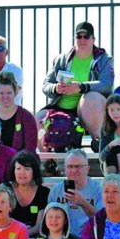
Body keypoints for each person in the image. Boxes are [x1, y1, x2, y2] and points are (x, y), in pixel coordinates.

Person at [41, 21, 113, 150]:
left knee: (91, 98)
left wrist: (82, 86)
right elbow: (46, 85)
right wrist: (56, 88)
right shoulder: (61, 59)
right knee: (36, 120)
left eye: (86, 36)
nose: (82, 40)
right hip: (61, 106)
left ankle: (99, 141)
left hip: (87, 109)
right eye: (79, 37)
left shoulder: (104, 59)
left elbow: (106, 84)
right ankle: (48, 161)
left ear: (93, 39)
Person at [47, 149, 103, 238]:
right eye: (70, 166)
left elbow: (101, 221)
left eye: (78, 166)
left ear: (87, 169)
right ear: (65, 169)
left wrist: (83, 203)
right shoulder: (56, 191)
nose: (74, 170)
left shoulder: (98, 189)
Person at [0, 71, 37, 154]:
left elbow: (30, 149)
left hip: (20, 164)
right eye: (1, 93)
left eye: (9, 93)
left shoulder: (26, 117)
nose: (5, 97)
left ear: (15, 93)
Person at [6, 151, 51, 237]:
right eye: (18, 169)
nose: (22, 172)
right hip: (8, 237)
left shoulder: (43, 193)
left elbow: (39, 225)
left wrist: (23, 234)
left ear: (34, 172)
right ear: (14, 171)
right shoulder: (6, 190)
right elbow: (1, 220)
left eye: (27, 169)